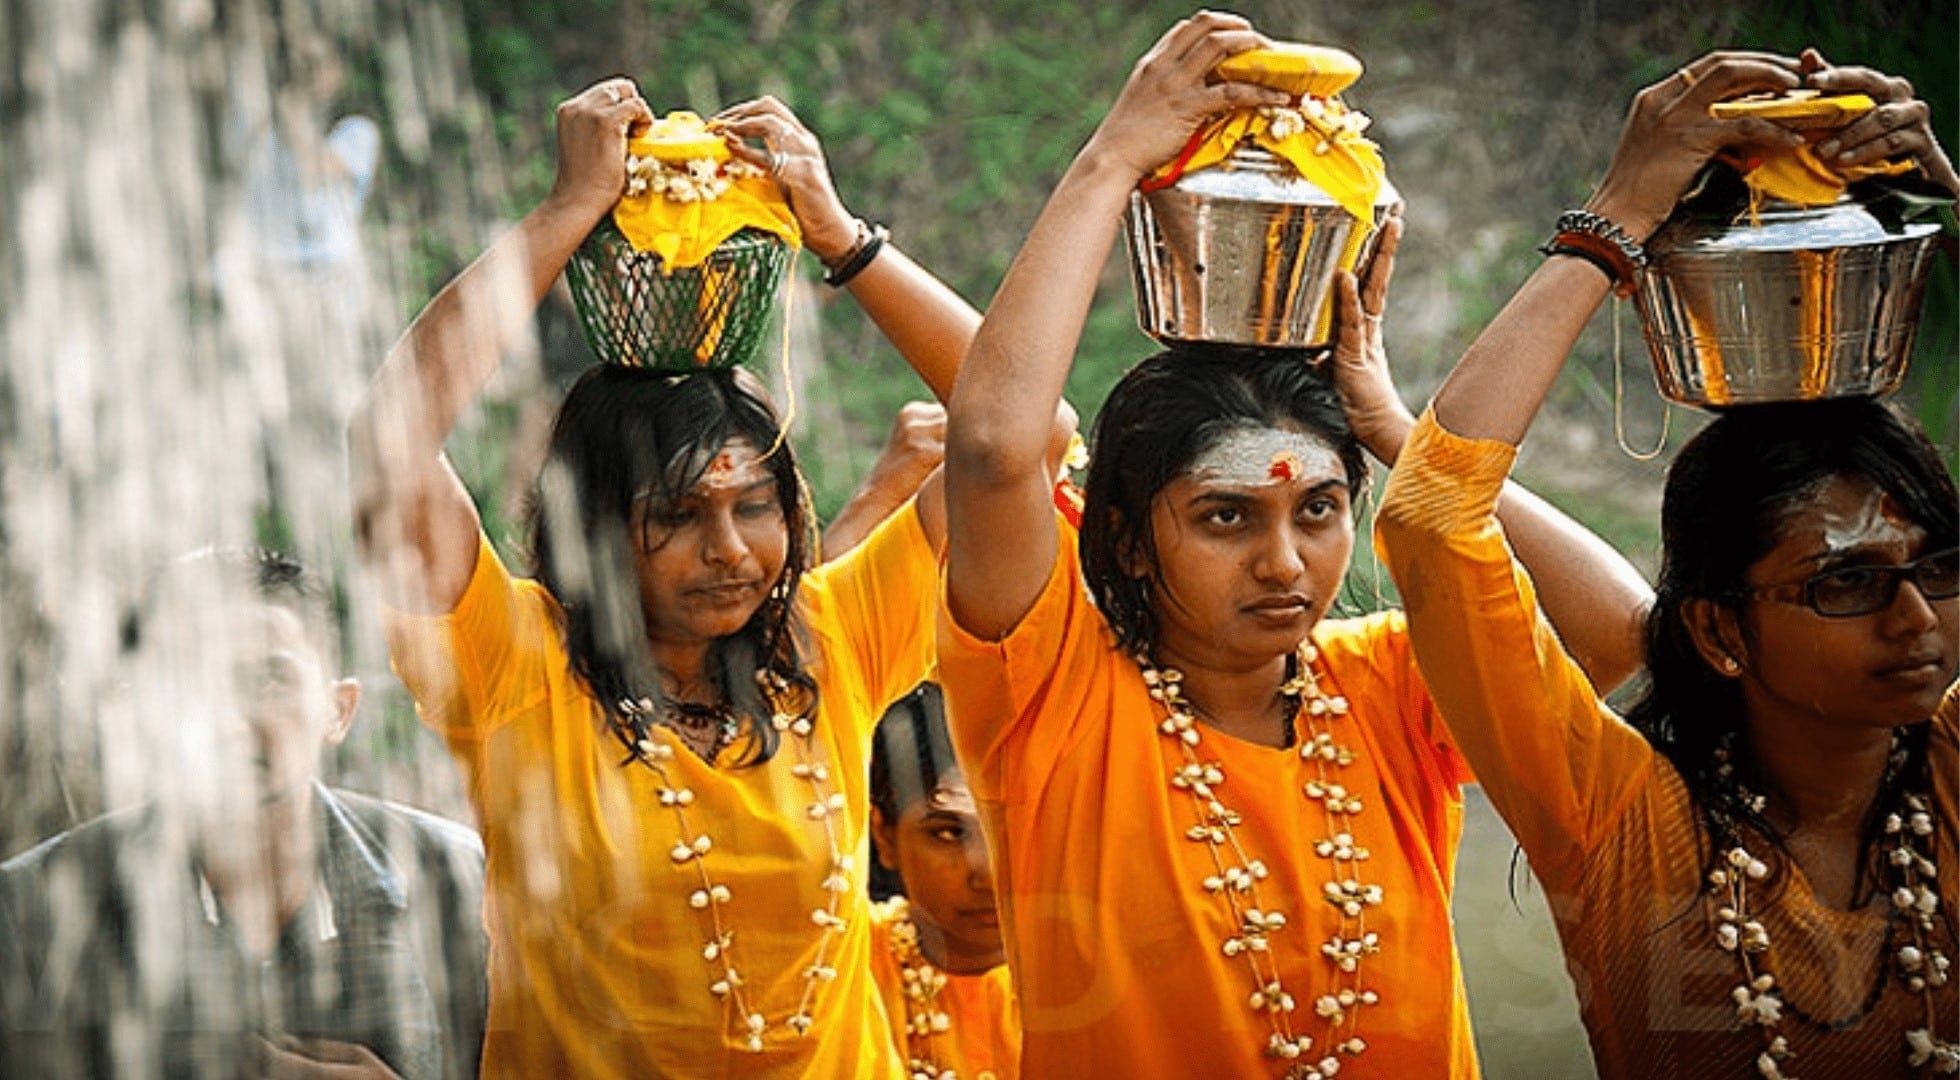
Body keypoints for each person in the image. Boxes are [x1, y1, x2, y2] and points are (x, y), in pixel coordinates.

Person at [937, 12, 1654, 1077]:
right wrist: (1113, 158)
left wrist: (1396, 434)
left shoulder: (1389, 691)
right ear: (1130, 542)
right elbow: (996, 446)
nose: (1285, 564)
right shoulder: (1051, 696)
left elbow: (1620, 636)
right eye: (1228, 517)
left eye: (1317, 510)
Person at [350, 82, 1027, 1077]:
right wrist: (563, 214)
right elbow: (384, 447)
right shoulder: (518, 668)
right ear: (593, 531)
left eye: (754, 507)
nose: (730, 550)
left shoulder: (830, 642)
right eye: (675, 517)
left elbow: (1023, 435)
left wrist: (842, 239)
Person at [1375, 48, 1958, 1079]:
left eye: (1937, 570)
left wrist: (1948, 198)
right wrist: (1615, 216)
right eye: (1847, 583)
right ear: (1718, 629)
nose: (1917, 623)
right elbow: (1432, 521)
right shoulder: (1619, 822)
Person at [0, 547, 488, 1080]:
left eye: (268, 680)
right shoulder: (32, 910)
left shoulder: (459, 887)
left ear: (338, 710)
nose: (228, 723)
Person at [867, 683, 1020, 1080]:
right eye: (949, 833)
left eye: (1012, 830)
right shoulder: (837, 970)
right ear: (884, 835)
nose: (987, 875)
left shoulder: (1111, 972)